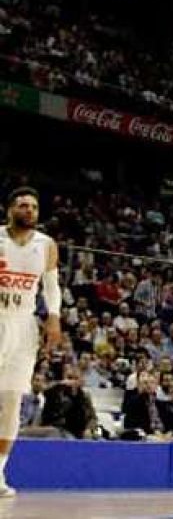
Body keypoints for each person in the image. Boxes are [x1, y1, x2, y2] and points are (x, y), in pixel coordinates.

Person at [0, 188, 65, 495]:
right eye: (23, 205)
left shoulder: (46, 244)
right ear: (9, 210)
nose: (29, 210)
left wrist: (54, 317)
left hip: (24, 324)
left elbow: (51, 287)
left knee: (12, 402)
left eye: (34, 207)